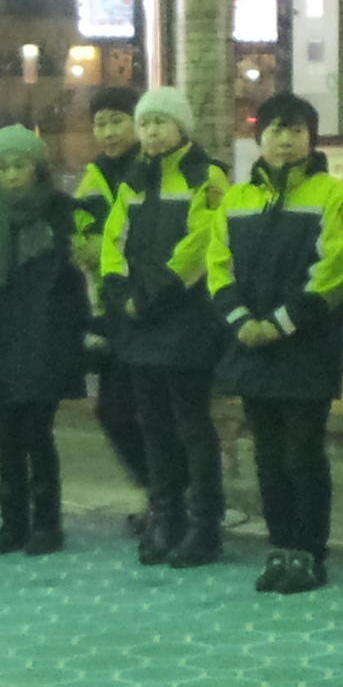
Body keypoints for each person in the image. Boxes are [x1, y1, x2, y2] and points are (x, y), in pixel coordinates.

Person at [210, 93, 343, 593]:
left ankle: (309, 553)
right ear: (259, 138)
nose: (285, 140)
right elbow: (218, 266)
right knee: (268, 457)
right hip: (252, 346)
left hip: (306, 349)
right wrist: (240, 320)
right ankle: (279, 547)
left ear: (311, 139)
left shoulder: (333, 196)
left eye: (296, 131)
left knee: (303, 454)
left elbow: (336, 269)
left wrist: (278, 324)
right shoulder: (236, 200)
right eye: (276, 130)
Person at [97, 86, 229, 567]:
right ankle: (165, 516)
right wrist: (118, 290)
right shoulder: (134, 179)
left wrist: (150, 295)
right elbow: (114, 239)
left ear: (182, 127)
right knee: (152, 425)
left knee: (192, 426)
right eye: (146, 123)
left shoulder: (205, 176)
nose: (152, 132)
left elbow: (201, 244)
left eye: (161, 122)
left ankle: (204, 525)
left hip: (185, 320)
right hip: (139, 322)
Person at [0, 125, 88, 555]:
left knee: (38, 432)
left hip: (46, 338)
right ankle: (12, 521)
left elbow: (79, 281)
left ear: (38, 167)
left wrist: (81, 335)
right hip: (1, 340)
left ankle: (47, 523)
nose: (12, 175)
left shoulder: (61, 214)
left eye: (21, 165)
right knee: (6, 434)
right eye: (4, 167)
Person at [69, 86, 150, 510]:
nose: (109, 132)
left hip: (155, 308)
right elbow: (80, 239)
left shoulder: (156, 170)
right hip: (113, 312)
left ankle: (174, 501)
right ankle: (157, 494)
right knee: (114, 412)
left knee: (157, 413)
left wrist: (104, 248)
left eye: (118, 121)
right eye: (100, 124)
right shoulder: (94, 178)